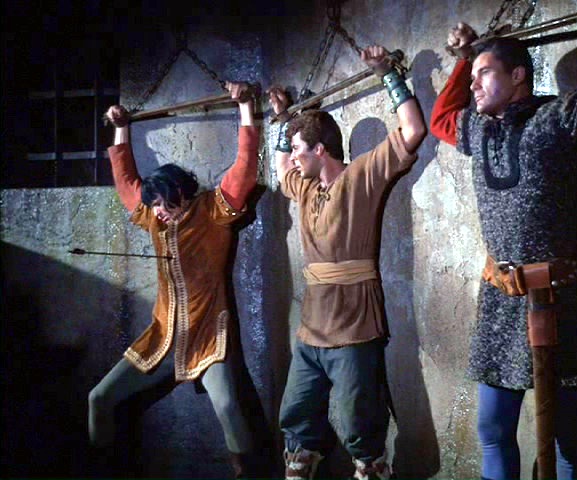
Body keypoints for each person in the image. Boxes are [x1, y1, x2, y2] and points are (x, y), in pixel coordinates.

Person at [429, 0, 577, 478]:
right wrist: (465, 61)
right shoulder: (478, 129)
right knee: (492, 429)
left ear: (519, 75)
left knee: (569, 443)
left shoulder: (560, 117)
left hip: (560, 300)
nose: (473, 85)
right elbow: (442, 118)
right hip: (501, 298)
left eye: (484, 74)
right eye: (472, 78)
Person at [268, 45, 427, 480]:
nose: (294, 157)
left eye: (299, 149)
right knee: (296, 416)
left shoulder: (361, 176)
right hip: (311, 329)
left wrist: (388, 75)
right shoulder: (305, 188)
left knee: (361, 422)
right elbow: (280, 168)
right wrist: (284, 121)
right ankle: (301, 465)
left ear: (321, 150)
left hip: (355, 324)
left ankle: (371, 468)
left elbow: (413, 130)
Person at [88, 81, 261, 478]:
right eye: (154, 206)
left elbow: (245, 167)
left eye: (165, 204)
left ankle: (248, 472)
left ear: (183, 194)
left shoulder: (213, 210)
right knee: (98, 398)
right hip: (163, 336)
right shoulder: (154, 217)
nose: (159, 212)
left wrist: (246, 107)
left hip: (208, 336)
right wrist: (121, 127)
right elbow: (127, 182)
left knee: (229, 406)